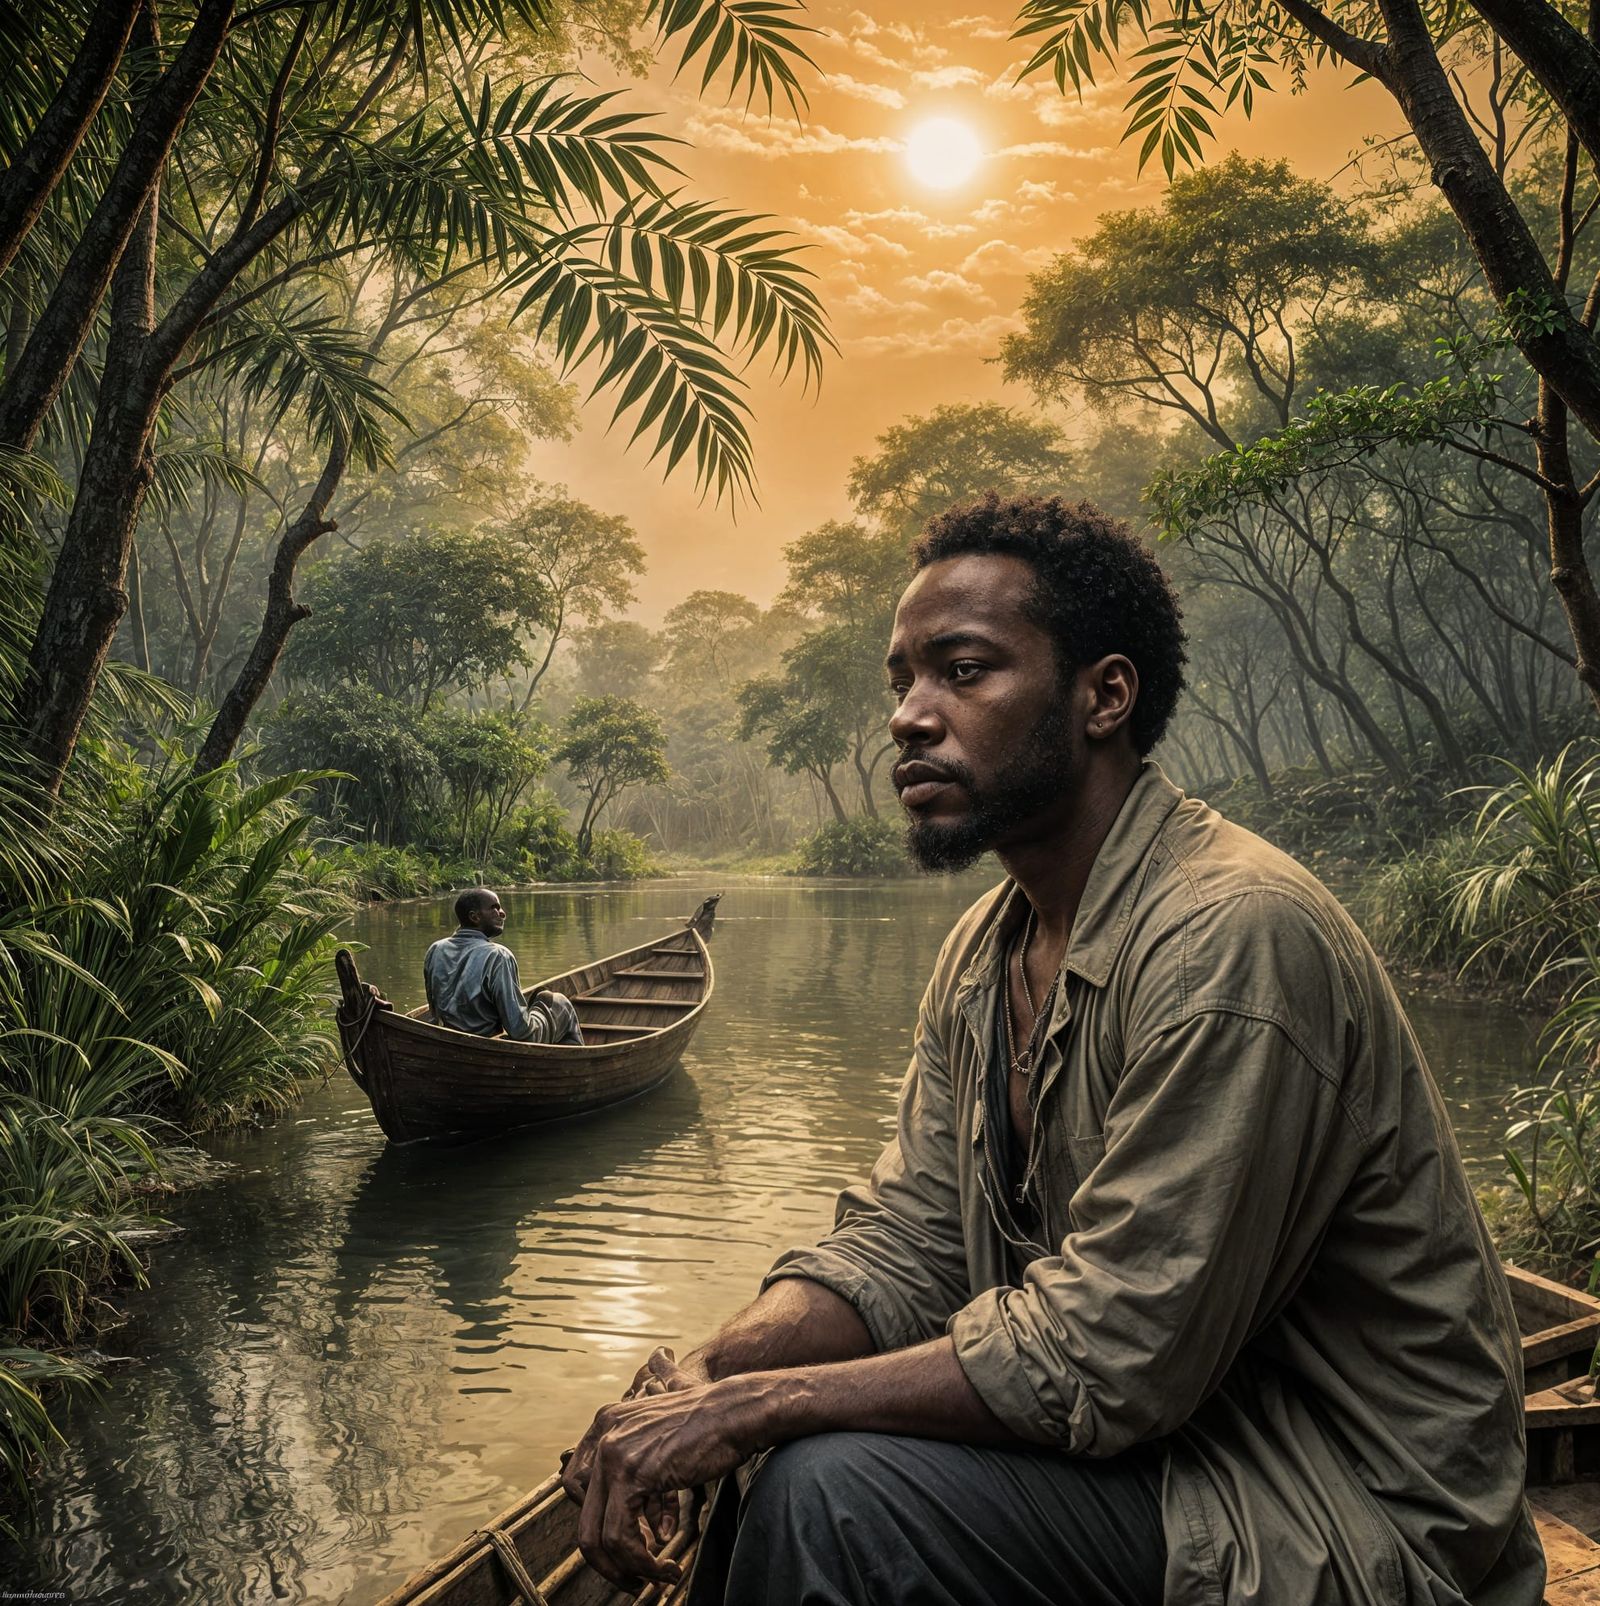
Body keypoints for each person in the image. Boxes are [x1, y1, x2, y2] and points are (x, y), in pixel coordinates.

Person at [562, 494, 1541, 1606]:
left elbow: (1110, 1353)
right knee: (765, 1450)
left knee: (829, 1492)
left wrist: (759, 1407)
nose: (910, 718)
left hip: (1341, 1505)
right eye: (903, 682)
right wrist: (712, 1371)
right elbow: (910, 1241)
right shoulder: (986, 951)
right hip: (1172, 1453)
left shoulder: (1231, 936)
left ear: (1102, 697)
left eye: (963, 672)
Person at [423, 888, 582, 1044]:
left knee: (543, 998)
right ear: (475, 917)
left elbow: (434, 1014)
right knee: (560, 1003)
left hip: (448, 1039)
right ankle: (577, 1058)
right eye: (494, 908)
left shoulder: (436, 949)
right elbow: (519, 1030)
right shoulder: (498, 955)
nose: (502, 913)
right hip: (487, 1044)